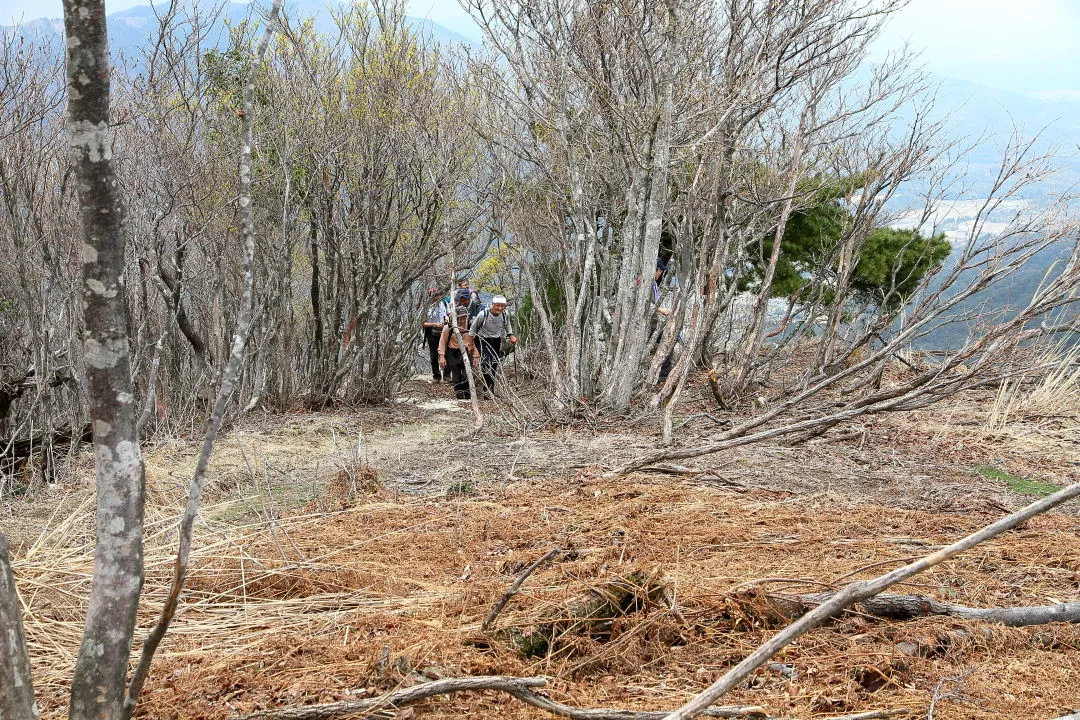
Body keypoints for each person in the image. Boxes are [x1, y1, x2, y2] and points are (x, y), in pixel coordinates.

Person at [470, 295, 517, 394]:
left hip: (496, 340)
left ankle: (490, 390)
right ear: (492, 305)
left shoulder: (505, 314)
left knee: (494, 365)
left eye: (502, 306)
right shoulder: (483, 314)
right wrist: (472, 346)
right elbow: (472, 330)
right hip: (482, 340)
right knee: (486, 363)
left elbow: (507, 325)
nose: (500, 308)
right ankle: (486, 390)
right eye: (497, 305)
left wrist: (511, 335)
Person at [439, 289, 480, 399]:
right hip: (453, 352)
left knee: (467, 374)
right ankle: (459, 395)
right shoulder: (449, 327)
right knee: (456, 375)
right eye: (460, 318)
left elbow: (473, 340)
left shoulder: (470, 325)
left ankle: (468, 395)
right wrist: (442, 357)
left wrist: (476, 355)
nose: (462, 320)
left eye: (464, 317)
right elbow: (442, 342)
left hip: (467, 350)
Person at [422, 288, 450, 382]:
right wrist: (434, 324)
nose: (436, 297)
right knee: (434, 355)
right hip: (431, 332)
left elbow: (448, 314)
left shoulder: (444, 303)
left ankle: (447, 375)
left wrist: (447, 319)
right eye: (434, 295)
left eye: (437, 294)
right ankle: (436, 376)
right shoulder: (426, 307)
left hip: (443, 331)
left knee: (446, 352)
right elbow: (423, 323)